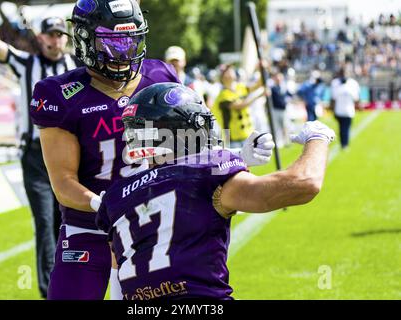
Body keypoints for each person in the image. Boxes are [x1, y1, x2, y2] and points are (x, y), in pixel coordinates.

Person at [30, 0, 274, 300]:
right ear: (83, 38)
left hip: (150, 225)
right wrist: (105, 206)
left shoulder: (161, 75)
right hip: (88, 227)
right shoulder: (59, 93)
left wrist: (236, 157)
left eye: (131, 40)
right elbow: (63, 183)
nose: (124, 52)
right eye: (113, 42)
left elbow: (191, 147)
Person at [96, 83, 335, 300]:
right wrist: (317, 138)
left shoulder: (117, 196)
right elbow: (304, 184)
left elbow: (119, 275)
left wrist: (239, 159)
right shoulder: (208, 175)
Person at [0, 0, 80, 298]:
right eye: (51, 34)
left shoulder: (75, 67)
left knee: (69, 224)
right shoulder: (27, 63)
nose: (56, 39)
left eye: (61, 34)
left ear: (66, 37)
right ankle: (50, 292)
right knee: (46, 223)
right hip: (36, 157)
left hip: (70, 155)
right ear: (41, 37)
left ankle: (71, 284)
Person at [211, 64, 261, 148]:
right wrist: (260, 95)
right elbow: (240, 106)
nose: (231, 71)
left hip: (247, 135)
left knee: (250, 160)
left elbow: (258, 85)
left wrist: (261, 69)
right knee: (237, 161)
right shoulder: (223, 95)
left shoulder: (240, 87)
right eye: (227, 70)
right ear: (222, 76)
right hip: (232, 139)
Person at [330, 67, 360, 150]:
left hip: (348, 111)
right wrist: (332, 110)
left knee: (345, 128)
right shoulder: (335, 83)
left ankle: (344, 144)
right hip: (339, 110)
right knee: (342, 128)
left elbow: (356, 98)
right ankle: (344, 144)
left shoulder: (353, 84)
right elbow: (333, 98)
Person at [270, 72, 291, 147]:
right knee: (276, 128)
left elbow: (290, 95)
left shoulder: (284, 87)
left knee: (285, 126)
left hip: (283, 110)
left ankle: (286, 142)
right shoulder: (272, 88)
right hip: (275, 110)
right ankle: (277, 142)